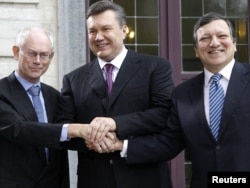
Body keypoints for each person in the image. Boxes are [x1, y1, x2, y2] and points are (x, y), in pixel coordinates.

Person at [108, 12, 250, 188]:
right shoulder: (182, 94)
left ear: (235, 44)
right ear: (196, 51)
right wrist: (121, 145)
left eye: (222, 36)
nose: (214, 43)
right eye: (205, 38)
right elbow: (169, 142)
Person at [56, 1, 174, 188]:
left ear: (124, 30)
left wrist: (115, 123)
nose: (98, 37)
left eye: (106, 29)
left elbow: (162, 114)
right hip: (95, 180)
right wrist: (93, 140)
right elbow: (63, 127)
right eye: (92, 31)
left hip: (145, 178)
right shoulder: (73, 79)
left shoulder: (156, 67)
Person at [0, 26, 91, 188]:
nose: (38, 61)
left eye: (44, 55)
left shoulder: (55, 97)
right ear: (16, 52)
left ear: (51, 57)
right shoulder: (2, 92)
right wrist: (72, 129)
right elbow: (19, 129)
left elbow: (64, 145)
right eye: (31, 53)